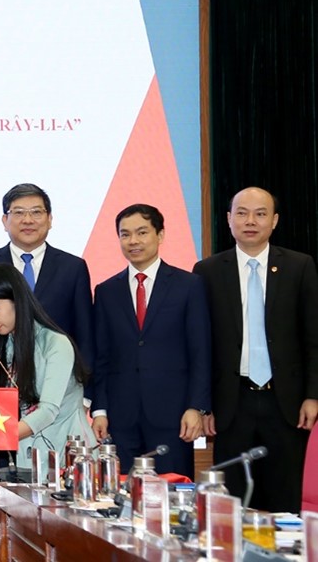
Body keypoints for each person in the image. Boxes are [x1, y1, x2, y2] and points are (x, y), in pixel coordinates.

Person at [194, 187, 318, 512]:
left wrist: (313, 395)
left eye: (260, 214)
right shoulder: (206, 271)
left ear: (274, 221)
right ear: (229, 219)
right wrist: (205, 405)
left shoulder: (299, 266)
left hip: (286, 402)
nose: (250, 221)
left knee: (286, 498)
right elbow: (201, 345)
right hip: (232, 403)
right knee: (233, 502)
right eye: (242, 213)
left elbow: (313, 336)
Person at [91, 204, 210, 478]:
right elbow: (102, 356)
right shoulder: (107, 291)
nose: (133, 241)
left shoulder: (189, 285)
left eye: (142, 232)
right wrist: (100, 410)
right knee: (122, 498)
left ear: (161, 235)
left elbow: (200, 351)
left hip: (173, 415)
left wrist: (197, 407)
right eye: (125, 234)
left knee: (172, 495)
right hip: (121, 417)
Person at [0, 263, 94, 478]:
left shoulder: (56, 344)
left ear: (17, 300)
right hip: (29, 462)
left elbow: (48, 411)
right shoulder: (7, 346)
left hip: (69, 463)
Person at [0, 183, 94, 389]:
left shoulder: (73, 268)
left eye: (36, 212)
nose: (28, 220)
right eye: (18, 212)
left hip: (59, 386)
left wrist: (87, 394)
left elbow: (85, 334)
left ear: (50, 219)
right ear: (4, 221)